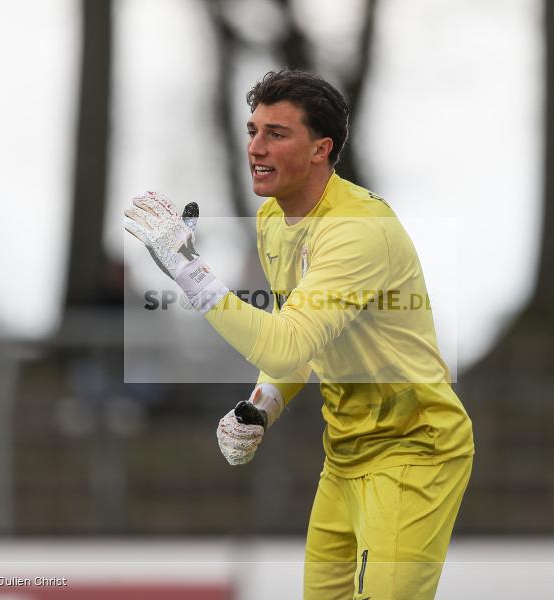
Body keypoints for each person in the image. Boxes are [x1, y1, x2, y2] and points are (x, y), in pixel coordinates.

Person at [124, 68, 474, 599]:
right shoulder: (271, 221)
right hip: (345, 453)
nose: (256, 148)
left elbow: (283, 344)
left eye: (277, 134)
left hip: (414, 450)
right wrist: (261, 406)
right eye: (252, 131)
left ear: (321, 150)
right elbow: (301, 345)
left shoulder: (357, 230)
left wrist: (190, 272)